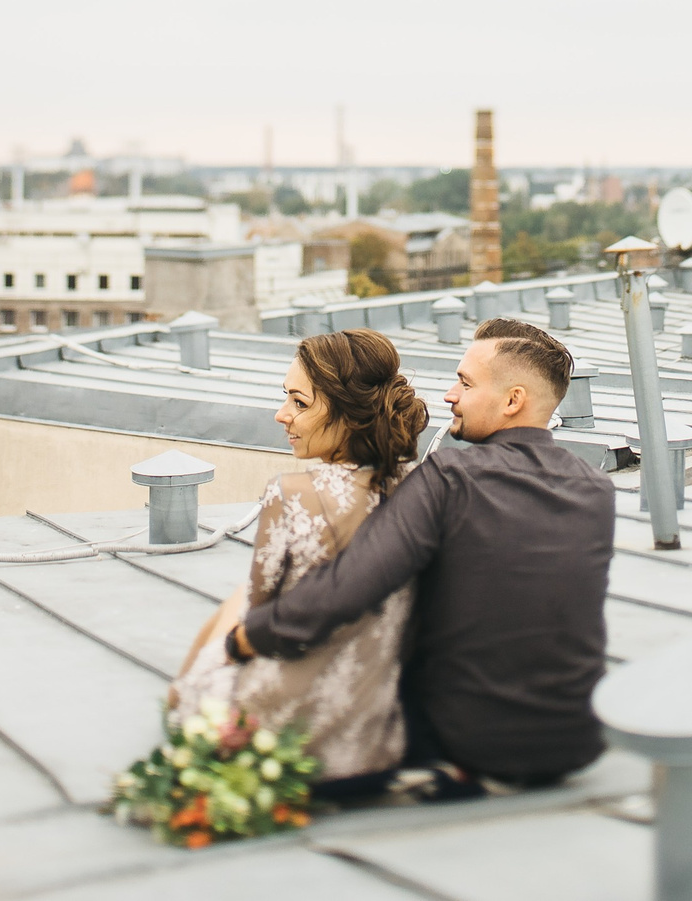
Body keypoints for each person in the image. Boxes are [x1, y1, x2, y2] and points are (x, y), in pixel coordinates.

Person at [230, 319, 614, 789]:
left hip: (467, 741)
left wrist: (246, 638)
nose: (450, 394)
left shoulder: (452, 475)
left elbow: (347, 588)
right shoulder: (596, 488)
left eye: (465, 383)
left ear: (513, 401)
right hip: (576, 741)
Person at [169, 327, 426, 783]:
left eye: (299, 403)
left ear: (350, 414)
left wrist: (198, 670)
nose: (281, 415)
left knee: (226, 629)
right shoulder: (424, 489)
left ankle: (182, 691)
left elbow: (257, 613)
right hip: (372, 734)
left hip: (282, 732)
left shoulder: (292, 495)